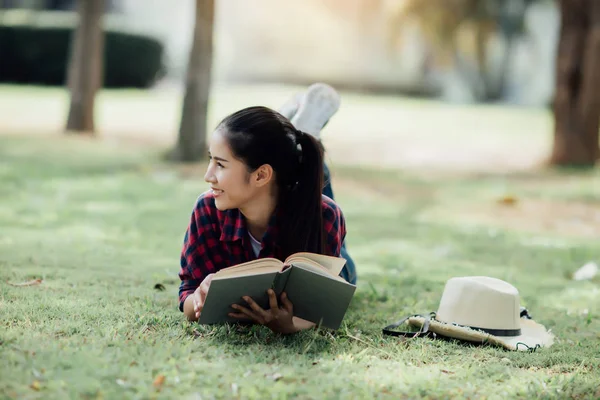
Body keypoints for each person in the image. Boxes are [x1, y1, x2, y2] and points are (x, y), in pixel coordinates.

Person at [178, 83, 356, 334]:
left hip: (310, 216)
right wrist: (198, 298)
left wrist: (290, 326)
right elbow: (186, 296)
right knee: (300, 175)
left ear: (261, 175)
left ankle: (305, 134)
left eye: (220, 164)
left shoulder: (327, 215)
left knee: (315, 184)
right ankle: (291, 139)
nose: (208, 176)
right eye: (210, 160)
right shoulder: (208, 208)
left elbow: (323, 308)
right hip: (275, 185)